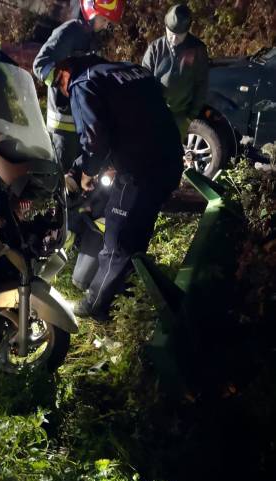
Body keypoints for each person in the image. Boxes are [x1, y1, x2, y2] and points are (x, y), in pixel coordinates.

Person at [52, 55, 183, 320]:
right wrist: (78, 168)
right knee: (138, 232)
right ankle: (125, 292)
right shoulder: (127, 70)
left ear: (65, 72)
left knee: (117, 239)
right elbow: (129, 126)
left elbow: (94, 140)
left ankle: (96, 305)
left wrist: (87, 173)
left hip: (140, 171)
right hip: (170, 161)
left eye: (58, 84)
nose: (63, 91)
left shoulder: (84, 83)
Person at [33, 0, 124, 172]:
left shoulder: (93, 38)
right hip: (63, 125)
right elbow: (40, 65)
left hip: (83, 123)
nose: (106, 25)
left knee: (79, 175)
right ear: (91, 13)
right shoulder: (69, 32)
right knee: (61, 174)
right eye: (104, 19)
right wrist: (68, 85)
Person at [142, 3, 209, 140]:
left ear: (187, 32)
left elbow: (202, 84)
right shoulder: (155, 48)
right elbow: (143, 81)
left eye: (179, 36)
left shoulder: (197, 49)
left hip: (181, 115)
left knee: (174, 149)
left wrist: (191, 116)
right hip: (157, 112)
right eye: (171, 34)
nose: (173, 39)